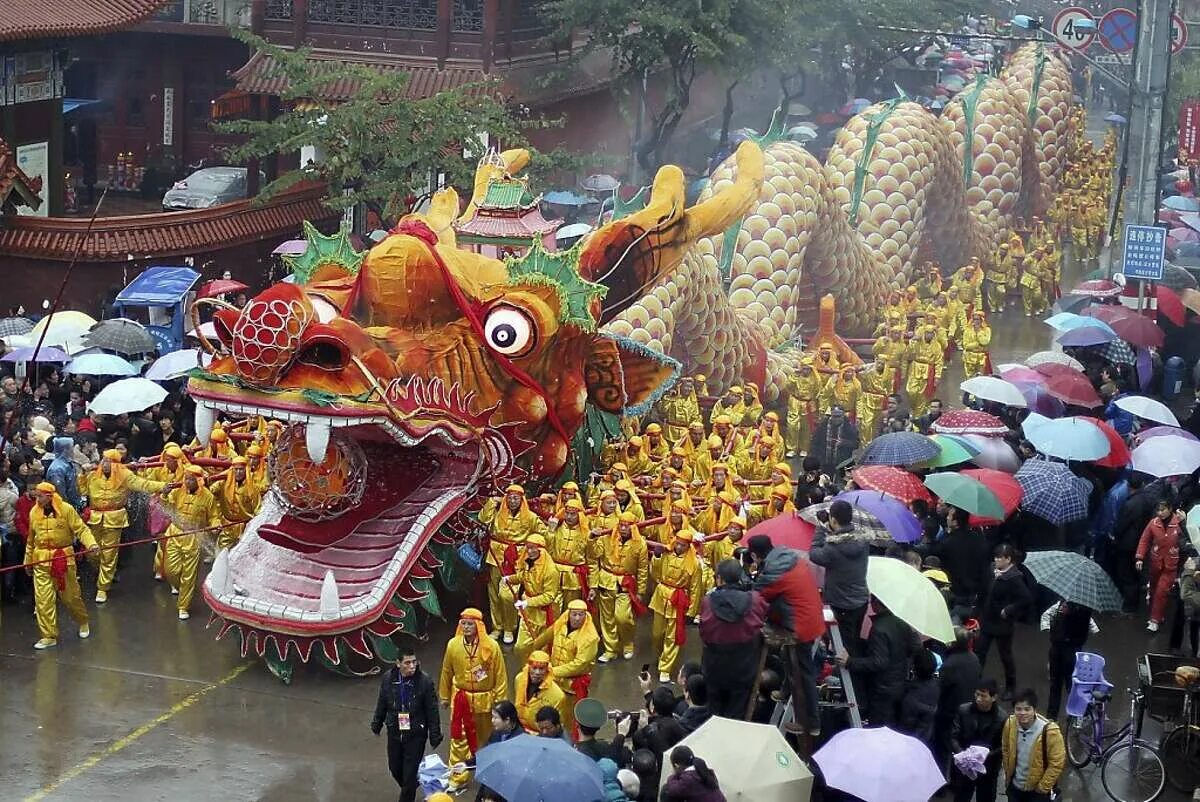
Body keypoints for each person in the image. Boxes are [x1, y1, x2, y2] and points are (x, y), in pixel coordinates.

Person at [747, 534, 824, 735]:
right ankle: (785, 691)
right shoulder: (787, 557)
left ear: (755, 556)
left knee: (803, 674)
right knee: (791, 662)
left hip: (800, 624)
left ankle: (810, 723)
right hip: (808, 615)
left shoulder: (773, 571)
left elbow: (758, 595)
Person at [438, 608, 509, 791]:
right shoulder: (453, 645)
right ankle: (458, 778)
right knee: (459, 740)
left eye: (471, 623)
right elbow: (447, 671)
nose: (467, 627)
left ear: (478, 626)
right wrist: (445, 696)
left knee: (487, 739)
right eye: (464, 623)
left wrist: (500, 704)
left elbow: (501, 676)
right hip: (461, 700)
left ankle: (489, 774)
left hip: (486, 700)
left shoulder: (491, 647)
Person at [83, 448, 166, 603]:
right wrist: (82, 474)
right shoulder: (93, 475)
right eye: (103, 460)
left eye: (108, 461)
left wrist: (162, 486)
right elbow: (81, 489)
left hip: (114, 519)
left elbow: (144, 484)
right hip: (95, 518)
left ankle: (102, 588)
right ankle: (107, 572)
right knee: (92, 553)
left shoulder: (125, 475)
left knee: (109, 554)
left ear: (115, 464)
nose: (104, 463)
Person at [23, 482, 98, 649]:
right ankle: (48, 635)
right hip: (41, 559)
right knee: (43, 600)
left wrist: (91, 544)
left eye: (40, 496)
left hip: (63, 558)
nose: (37, 499)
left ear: (49, 496)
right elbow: (30, 540)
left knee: (71, 597)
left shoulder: (66, 509)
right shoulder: (34, 512)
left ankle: (83, 620)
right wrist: (28, 561)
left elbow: (81, 529)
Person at [370, 648, 443, 802]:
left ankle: (408, 790)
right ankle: (411, 784)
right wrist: (377, 723)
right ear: (398, 663)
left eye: (414, 662)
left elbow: (432, 710)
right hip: (395, 731)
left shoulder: (425, 682)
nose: (412, 666)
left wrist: (435, 734)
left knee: (409, 775)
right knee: (395, 768)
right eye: (407, 663)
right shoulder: (388, 679)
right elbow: (382, 702)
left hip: (416, 734)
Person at [699, 558, 767, 719]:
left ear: (719, 578)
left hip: (714, 666)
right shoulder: (755, 600)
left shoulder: (708, 602)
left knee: (714, 713)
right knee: (737, 712)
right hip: (744, 666)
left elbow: (704, 631)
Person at [479, 484, 544, 644]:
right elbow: (482, 519)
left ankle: (509, 627)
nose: (513, 501)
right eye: (510, 497)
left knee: (508, 595)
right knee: (493, 593)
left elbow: (543, 534)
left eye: (516, 498)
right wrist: (493, 501)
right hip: (495, 556)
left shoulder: (530, 517)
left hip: (517, 559)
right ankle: (497, 627)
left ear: (522, 500)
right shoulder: (497, 512)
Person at [837, 597, 916, 726]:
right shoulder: (902, 623)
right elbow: (915, 647)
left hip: (882, 688)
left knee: (880, 728)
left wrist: (850, 662)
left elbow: (879, 662)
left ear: (877, 603)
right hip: (900, 683)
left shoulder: (879, 628)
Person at [809, 499, 869, 655]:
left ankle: (850, 676)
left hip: (842, 603)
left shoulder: (833, 549)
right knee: (853, 639)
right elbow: (842, 537)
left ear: (833, 520)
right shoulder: (862, 540)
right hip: (860, 599)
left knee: (844, 649)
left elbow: (815, 554)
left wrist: (821, 529)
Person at [531, 599, 599, 734]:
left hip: (571, 686)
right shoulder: (561, 624)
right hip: (554, 683)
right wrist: (534, 649)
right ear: (569, 614)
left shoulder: (590, 637)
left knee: (568, 721)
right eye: (574, 614)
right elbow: (546, 636)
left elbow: (579, 665)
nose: (577, 618)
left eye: (581, 615)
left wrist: (551, 671)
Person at [162, 465, 220, 620]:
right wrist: (164, 495)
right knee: (170, 570)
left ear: (199, 480)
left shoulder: (208, 496)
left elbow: (214, 516)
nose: (187, 482)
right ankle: (181, 587)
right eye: (186, 478)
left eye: (191, 479)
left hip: (194, 537)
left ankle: (183, 606)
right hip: (175, 533)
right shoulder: (177, 491)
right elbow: (166, 507)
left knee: (189, 574)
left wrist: (215, 525)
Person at [977, 544, 1031, 699]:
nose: (996, 560)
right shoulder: (992, 570)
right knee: (980, 651)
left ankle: (1010, 686)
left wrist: (1008, 610)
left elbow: (1026, 598)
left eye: (1000, 557)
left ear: (1008, 559)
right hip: (987, 619)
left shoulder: (1015, 577)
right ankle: (975, 682)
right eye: (995, 557)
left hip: (1002, 623)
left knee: (1005, 655)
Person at [649, 528, 701, 682]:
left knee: (672, 637)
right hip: (661, 595)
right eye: (677, 544)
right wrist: (656, 557)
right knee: (657, 634)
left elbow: (696, 588)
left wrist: (691, 612)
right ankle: (661, 657)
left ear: (688, 546)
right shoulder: (666, 554)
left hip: (678, 600)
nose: (678, 547)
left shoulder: (694, 564)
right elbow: (655, 574)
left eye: (682, 545)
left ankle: (665, 667)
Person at [1001, 689, 1065, 802]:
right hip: (1015, 788)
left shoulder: (1050, 731)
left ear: (1034, 710)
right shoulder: (1010, 724)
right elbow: (1006, 748)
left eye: (1027, 709)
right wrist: (1008, 774)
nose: (1022, 713)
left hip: (1037, 792)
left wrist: (1043, 787)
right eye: (1018, 709)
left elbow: (1057, 763)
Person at [949, 679, 1006, 802]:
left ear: (994, 697)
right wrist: (963, 754)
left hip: (988, 769)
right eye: (977, 694)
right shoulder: (963, 710)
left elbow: (1004, 745)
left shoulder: (1002, 718)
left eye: (983, 696)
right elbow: (953, 735)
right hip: (965, 766)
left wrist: (985, 755)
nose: (979, 699)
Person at [1041, 601, 1097, 719]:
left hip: (1071, 652)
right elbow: (1050, 619)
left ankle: (1079, 714)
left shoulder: (1084, 610)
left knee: (1071, 684)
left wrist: (1070, 613)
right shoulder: (1062, 603)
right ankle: (1051, 716)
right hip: (1056, 650)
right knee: (1055, 685)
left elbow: (1082, 633)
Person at [1136, 499, 1185, 632]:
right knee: (1153, 590)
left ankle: (1154, 620)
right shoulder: (1153, 523)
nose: (1160, 513)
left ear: (1170, 509)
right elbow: (1144, 540)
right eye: (1158, 510)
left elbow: (1186, 540)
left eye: (1163, 510)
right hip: (1155, 563)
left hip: (1171, 566)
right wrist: (1139, 557)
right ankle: (1158, 613)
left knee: (1161, 592)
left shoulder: (1178, 523)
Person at [513, 650, 568, 734]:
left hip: (541, 734)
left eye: (541, 669)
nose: (537, 672)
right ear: (528, 667)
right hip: (519, 729)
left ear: (547, 670)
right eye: (534, 668)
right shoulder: (519, 679)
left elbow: (558, 726)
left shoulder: (558, 696)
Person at [661, 745, 727, 802]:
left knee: (666, 790)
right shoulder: (704, 771)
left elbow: (673, 790)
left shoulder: (688, 780)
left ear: (676, 765)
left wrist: (673, 776)